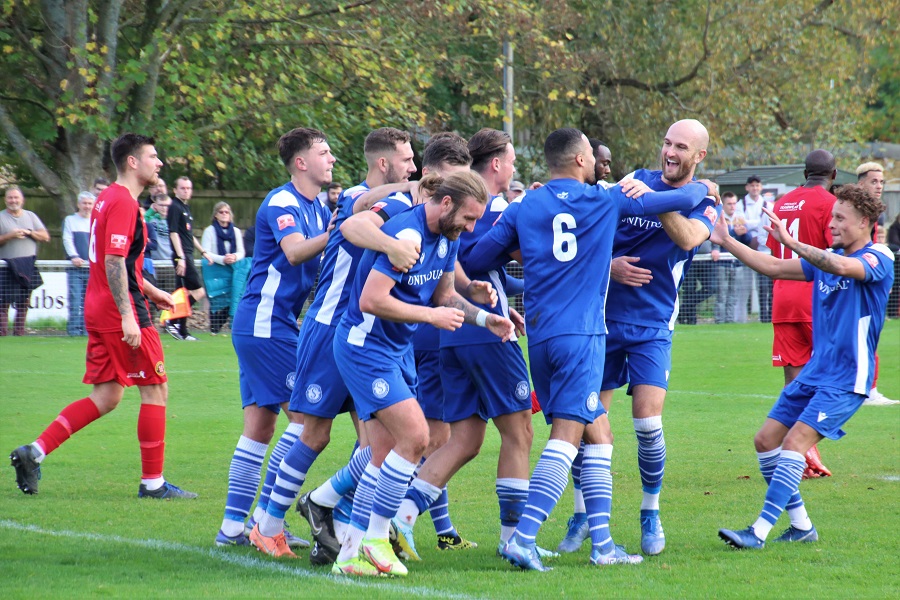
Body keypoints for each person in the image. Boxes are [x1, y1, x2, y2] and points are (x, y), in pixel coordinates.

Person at [467, 127, 715, 571]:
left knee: (598, 434)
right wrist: (703, 188)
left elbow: (478, 257)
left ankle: (602, 545)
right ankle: (523, 538)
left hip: (539, 338)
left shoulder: (525, 204)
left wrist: (505, 276)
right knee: (567, 437)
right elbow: (671, 201)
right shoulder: (604, 201)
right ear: (582, 160)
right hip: (582, 335)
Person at [240, 128, 419, 562]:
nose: (413, 168)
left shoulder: (398, 201)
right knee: (314, 434)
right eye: (407, 161)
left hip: (364, 334)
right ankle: (267, 526)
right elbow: (358, 211)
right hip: (328, 327)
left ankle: (341, 523)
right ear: (384, 164)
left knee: (377, 440)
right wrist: (416, 189)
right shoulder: (358, 196)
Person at [329, 171, 513, 578]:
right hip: (364, 347)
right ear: (445, 203)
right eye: (467, 218)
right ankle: (377, 539)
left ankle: (348, 555)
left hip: (395, 349)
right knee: (416, 437)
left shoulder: (449, 238)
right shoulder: (406, 234)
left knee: (379, 454)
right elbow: (371, 299)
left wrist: (486, 319)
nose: (470, 228)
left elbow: (445, 296)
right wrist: (430, 315)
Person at [557, 119, 720, 558]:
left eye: (681, 147)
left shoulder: (702, 203)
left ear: (699, 156)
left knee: (648, 424)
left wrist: (658, 202)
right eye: (666, 142)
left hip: (652, 327)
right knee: (584, 422)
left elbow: (687, 238)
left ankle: (650, 511)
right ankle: (582, 515)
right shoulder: (629, 184)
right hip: (602, 321)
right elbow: (587, 239)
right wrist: (610, 265)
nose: (670, 151)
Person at [8, 133, 196, 499]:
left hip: (99, 307)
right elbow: (112, 261)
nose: (159, 163)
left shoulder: (107, 198)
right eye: (153, 157)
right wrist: (128, 314)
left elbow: (121, 262)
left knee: (107, 395)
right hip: (117, 311)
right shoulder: (124, 202)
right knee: (155, 389)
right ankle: (153, 484)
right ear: (132, 161)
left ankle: (34, 452)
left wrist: (152, 290)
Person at [716, 184, 893, 549]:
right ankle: (800, 526)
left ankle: (758, 532)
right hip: (816, 371)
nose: (833, 224)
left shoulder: (879, 256)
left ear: (864, 222)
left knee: (795, 441)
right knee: (765, 440)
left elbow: (844, 266)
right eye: (832, 217)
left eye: (840, 218)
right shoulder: (824, 258)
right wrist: (726, 241)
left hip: (846, 379)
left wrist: (792, 241)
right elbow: (773, 266)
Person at [216, 127, 334, 553]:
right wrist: (339, 232)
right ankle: (267, 523)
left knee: (259, 429)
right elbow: (296, 251)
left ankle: (232, 529)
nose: (332, 159)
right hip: (266, 325)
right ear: (300, 162)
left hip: (269, 324)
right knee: (305, 424)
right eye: (324, 153)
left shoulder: (319, 205)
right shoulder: (283, 201)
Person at [854, 162, 896, 405]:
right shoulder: (856, 209)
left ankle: (869, 387)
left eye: (881, 182)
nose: (879, 186)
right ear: (861, 183)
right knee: (866, 332)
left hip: (863, 275)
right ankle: (868, 389)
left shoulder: (873, 210)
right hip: (853, 277)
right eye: (874, 181)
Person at [0, 186, 50, 336]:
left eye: (16, 198)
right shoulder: (1, 217)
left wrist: (29, 232)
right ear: (5, 200)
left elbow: (45, 237)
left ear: (22, 200)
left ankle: (19, 333)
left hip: (27, 266)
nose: (13, 200)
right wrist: (10, 235)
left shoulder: (31, 216)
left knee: (23, 302)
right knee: (3, 302)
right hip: (5, 266)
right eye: (10, 197)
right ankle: (2, 332)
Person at [166, 176, 210, 341]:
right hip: (182, 256)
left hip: (187, 254)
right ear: (175, 190)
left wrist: (203, 251)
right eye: (183, 188)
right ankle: (172, 319)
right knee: (199, 291)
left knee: (183, 294)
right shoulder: (175, 207)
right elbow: (174, 233)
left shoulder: (186, 208)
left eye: (188, 188)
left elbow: (189, 235)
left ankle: (182, 330)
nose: (186, 191)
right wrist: (181, 257)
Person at [200, 202, 246, 334]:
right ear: (215, 215)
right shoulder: (209, 231)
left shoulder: (236, 231)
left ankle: (233, 327)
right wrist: (222, 259)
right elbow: (205, 252)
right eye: (221, 212)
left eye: (227, 212)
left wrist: (233, 257)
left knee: (233, 297)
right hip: (214, 270)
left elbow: (241, 252)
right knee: (217, 299)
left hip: (232, 270)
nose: (224, 214)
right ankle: (214, 329)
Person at [713, 192, 753, 324]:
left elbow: (747, 240)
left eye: (734, 203)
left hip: (736, 263)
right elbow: (718, 236)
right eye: (729, 203)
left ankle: (730, 322)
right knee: (722, 294)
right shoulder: (718, 218)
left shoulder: (740, 219)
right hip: (722, 263)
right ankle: (719, 321)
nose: (732, 206)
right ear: (723, 205)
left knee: (733, 295)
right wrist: (733, 232)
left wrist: (745, 234)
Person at [62, 191, 95, 336]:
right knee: (75, 300)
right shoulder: (70, 220)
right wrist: (73, 256)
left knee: (90, 303)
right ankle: (74, 331)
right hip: (76, 268)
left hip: (92, 269)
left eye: (89, 203)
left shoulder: (96, 221)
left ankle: (88, 331)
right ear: (78, 204)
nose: (87, 206)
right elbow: (67, 239)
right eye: (84, 203)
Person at [733, 175, 764, 322]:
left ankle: (766, 318)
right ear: (747, 187)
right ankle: (740, 320)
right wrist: (756, 223)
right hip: (745, 247)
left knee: (764, 287)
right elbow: (739, 224)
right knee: (743, 288)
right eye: (752, 185)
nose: (755, 188)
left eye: (757, 185)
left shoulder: (766, 204)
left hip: (763, 249)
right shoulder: (741, 204)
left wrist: (749, 224)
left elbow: (765, 223)